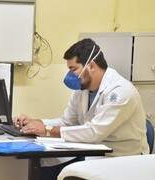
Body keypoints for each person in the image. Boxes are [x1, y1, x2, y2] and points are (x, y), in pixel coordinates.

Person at [14, 38, 149, 180]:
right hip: (93, 151)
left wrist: (47, 130)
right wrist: (36, 123)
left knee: (60, 173)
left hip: (121, 158)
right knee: (43, 168)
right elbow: (66, 121)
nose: (69, 75)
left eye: (73, 69)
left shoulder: (120, 91)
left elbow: (94, 132)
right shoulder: (82, 90)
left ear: (91, 65)